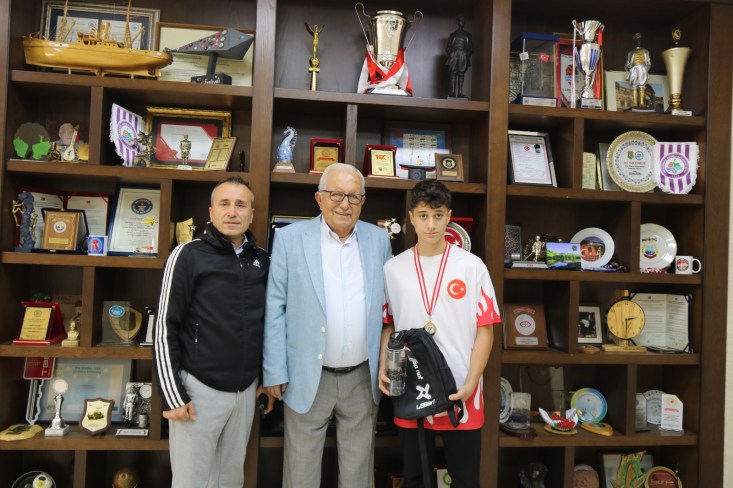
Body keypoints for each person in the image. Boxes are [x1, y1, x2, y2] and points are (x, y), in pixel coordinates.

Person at [263, 163, 392, 488]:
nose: (344, 204)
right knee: (301, 474)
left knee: (358, 475)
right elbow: (275, 307)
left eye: (353, 196)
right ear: (319, 198)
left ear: (362, 201)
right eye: (336, 195)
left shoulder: (379, 240)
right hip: (306, 375)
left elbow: (389, 307)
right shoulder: (290, 239)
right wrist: (274, 371)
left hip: (362, 377)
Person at [380, 180, 501, 488]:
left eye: (437, 215)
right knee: (415, 477)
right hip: (413, 385)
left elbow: (485, 330)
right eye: (423, 216)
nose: (431, 224)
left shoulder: (472, 267)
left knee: (466, 479)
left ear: (449, 216)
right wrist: (385, 366)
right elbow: (389, 325)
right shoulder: (393, 268)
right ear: (411, 217)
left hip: (461, 388)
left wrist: (472, 381)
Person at [154, 175, 272, 488]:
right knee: (191, 482)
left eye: (240, 205)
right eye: (224, 204)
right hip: (198, 391)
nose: (232, 212)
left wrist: (266, 378)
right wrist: (173, 396)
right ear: (211, 212)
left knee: (230, 479)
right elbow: (165, 326)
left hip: (245, 392)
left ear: (251, 214)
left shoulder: (262, 260)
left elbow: (268, 325)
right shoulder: (187, 255)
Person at [445, 14, 473, 99]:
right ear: (458, 22)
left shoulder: (468, 35)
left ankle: (460, 93)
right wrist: (451, 53)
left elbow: (471, 48)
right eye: (460, 20)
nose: (462, 22)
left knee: (461, 73)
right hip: (454, 55)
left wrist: (466, 53)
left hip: (463, 55)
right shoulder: (453, 35)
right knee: (453, 73)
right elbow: (448, 47)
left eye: (463, 20)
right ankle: (453, 92)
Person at [625, 32, 651, 109]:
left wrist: (645, 69)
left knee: (642, 85)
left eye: (639, 40)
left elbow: (648, 63)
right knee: (634, 85)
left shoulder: (646, 51)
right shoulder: (630, 52)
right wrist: (629, 69)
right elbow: (627, 63)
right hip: (633, 69)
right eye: (637, 40)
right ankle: (635, 103)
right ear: (635, 41)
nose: (638, 41)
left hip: (642, 69)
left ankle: (642, 103)